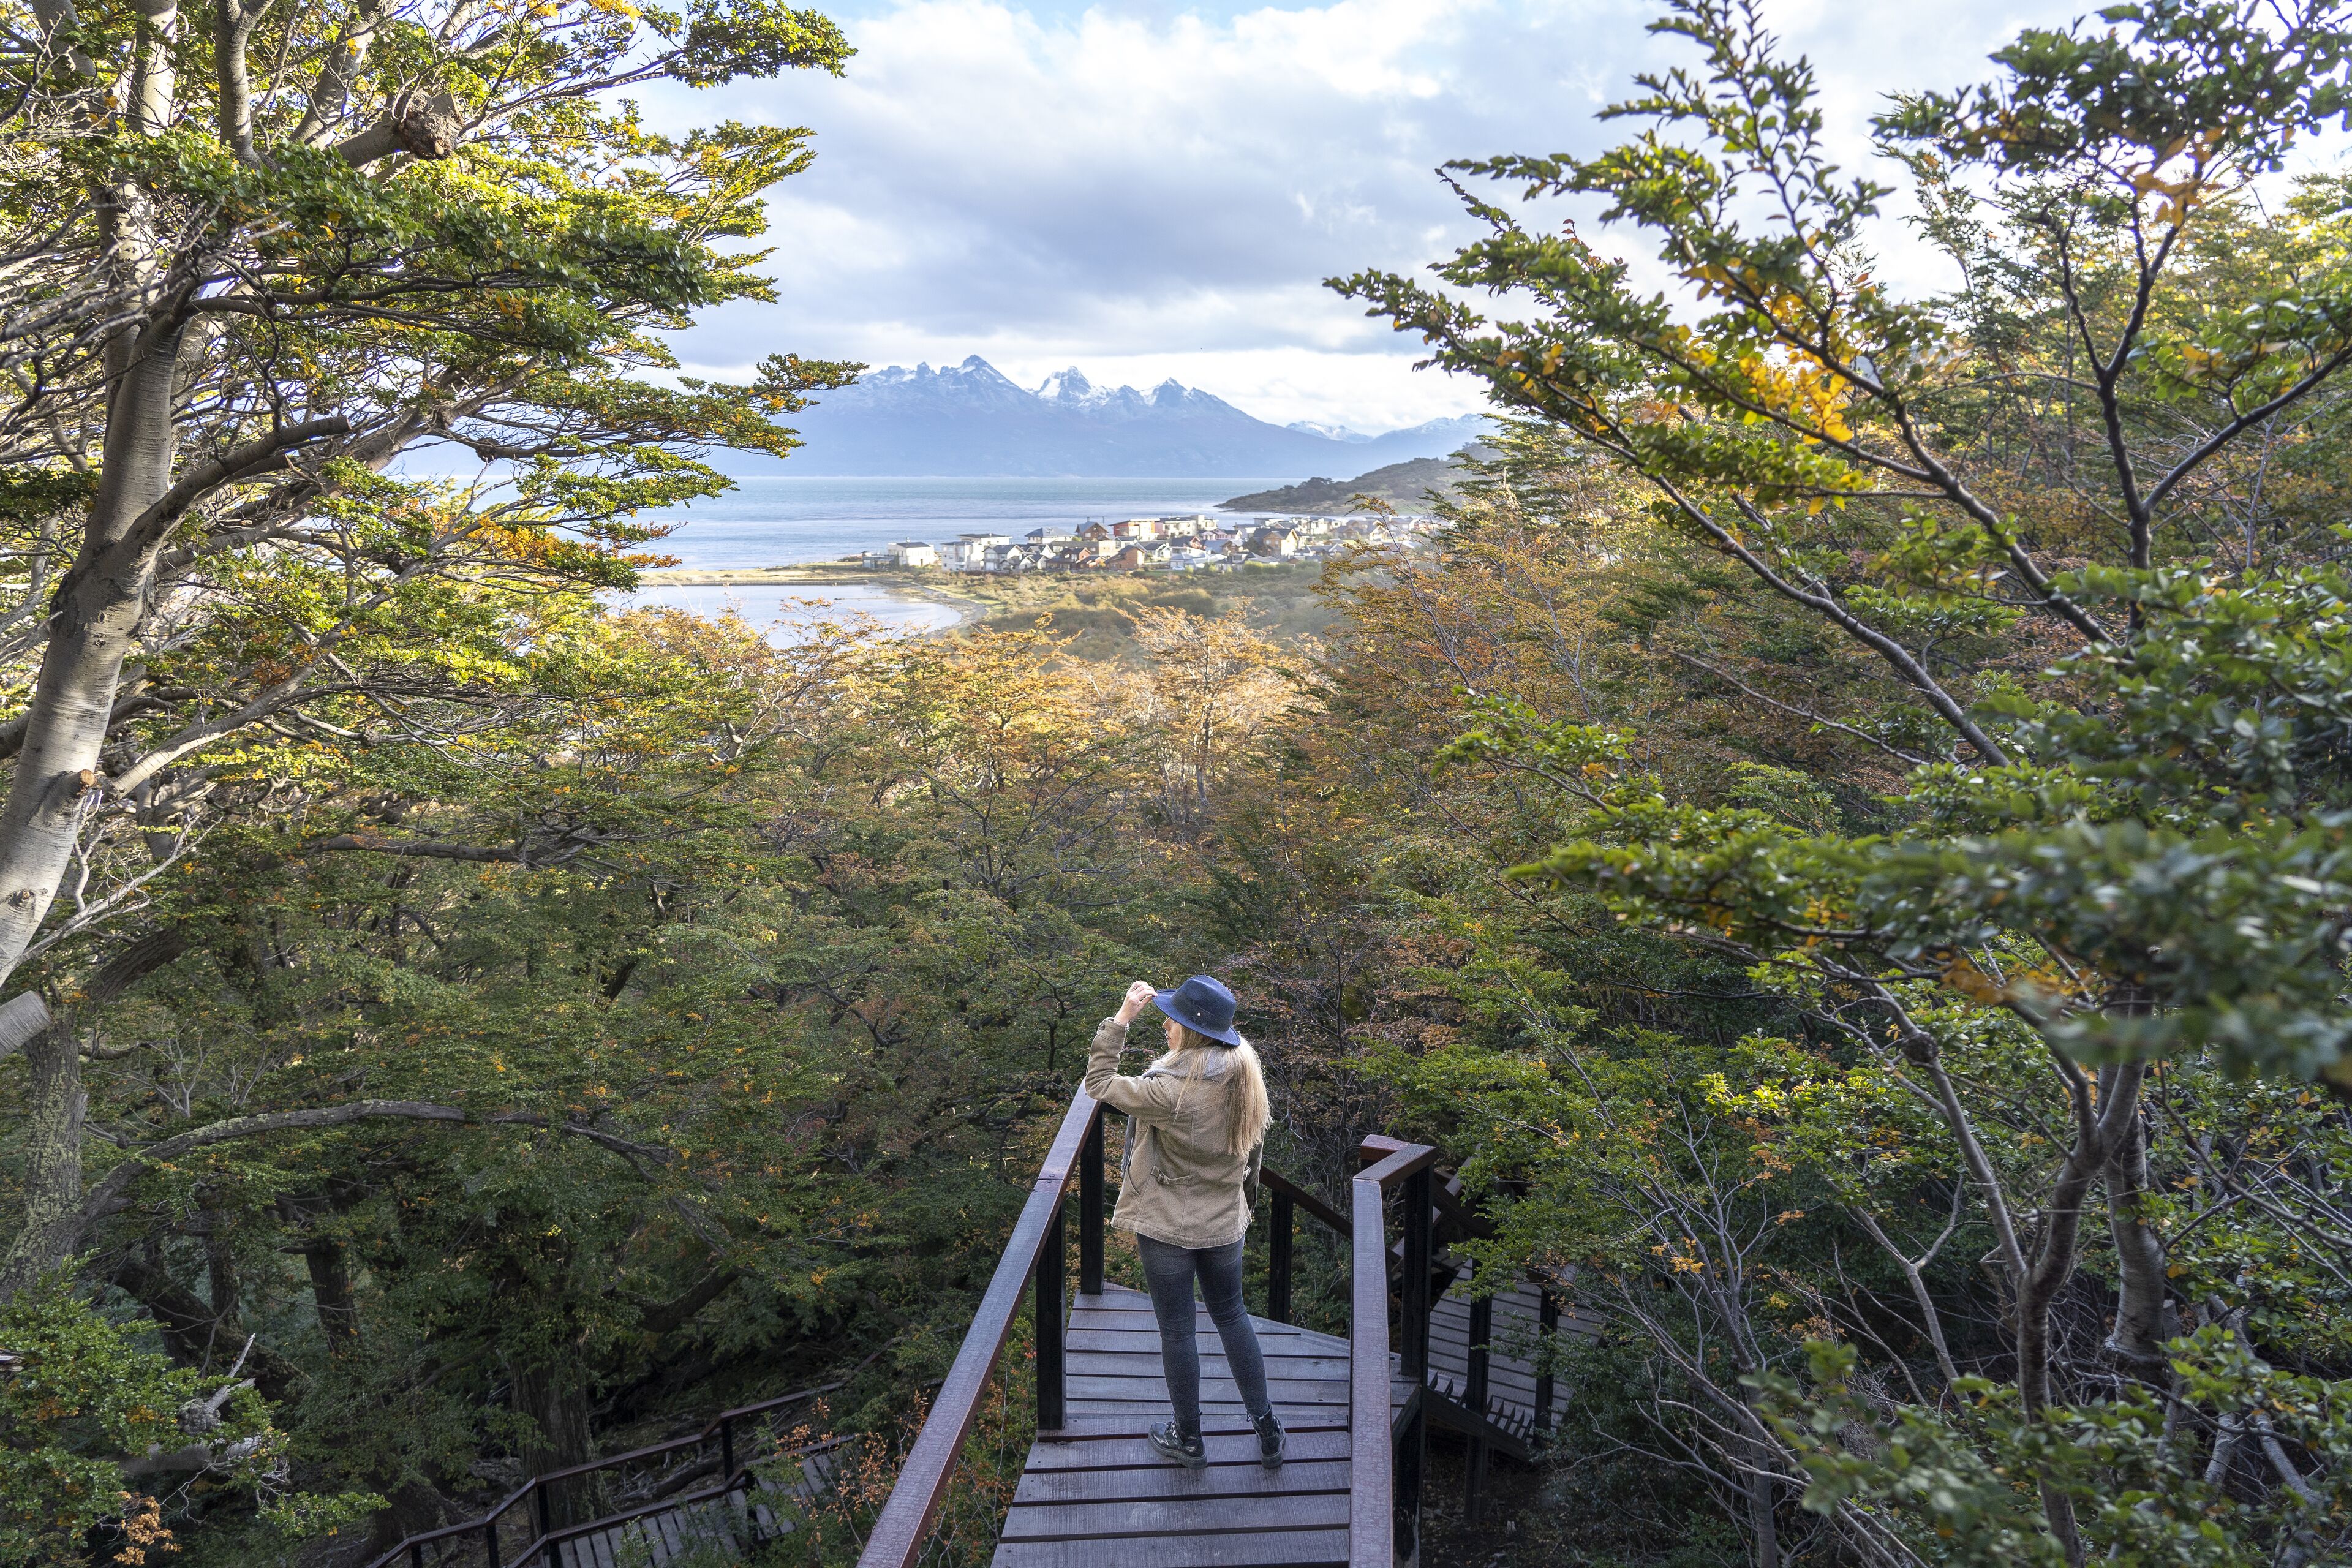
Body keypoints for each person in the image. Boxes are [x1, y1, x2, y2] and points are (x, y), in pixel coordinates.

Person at [1084, 974, 1285, 1471]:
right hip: (1224, 1223)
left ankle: (1189, 1439)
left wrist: (1122, 1019)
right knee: (1232, 1315)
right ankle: (1267, 1428)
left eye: (1171, 1020)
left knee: (1177, 1331)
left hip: (1169, 1228)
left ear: (1192, 1031)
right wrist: (1245, 1206)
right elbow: (1252, 1159)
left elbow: (1099, 1084)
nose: (1166, 1027)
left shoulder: (1168, 1090)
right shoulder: (1246, 1075)